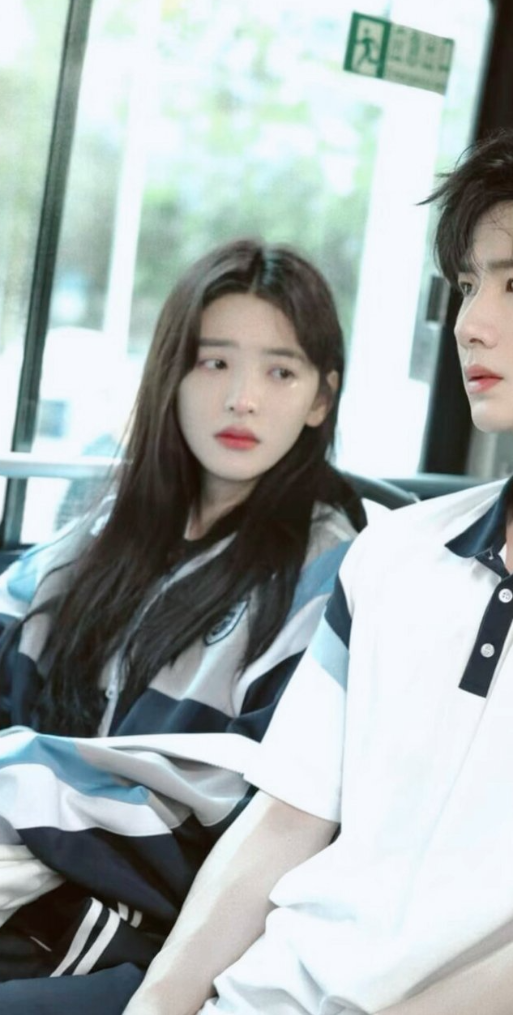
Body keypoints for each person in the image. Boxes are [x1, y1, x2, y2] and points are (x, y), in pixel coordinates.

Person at [126, 129, 513, 1015]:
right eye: (469, 284)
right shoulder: (392, 553)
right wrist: (159, 1004)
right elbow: (282, 824)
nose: (471, 322)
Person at [0, 239, 366, 1012]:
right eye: (214, 362)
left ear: (321, 399)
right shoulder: (107, 531)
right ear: (172, 374)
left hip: (157, 933)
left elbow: (255, 807)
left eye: (280, 372)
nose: (243, 399)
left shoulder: (334, 571)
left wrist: (31, 786)